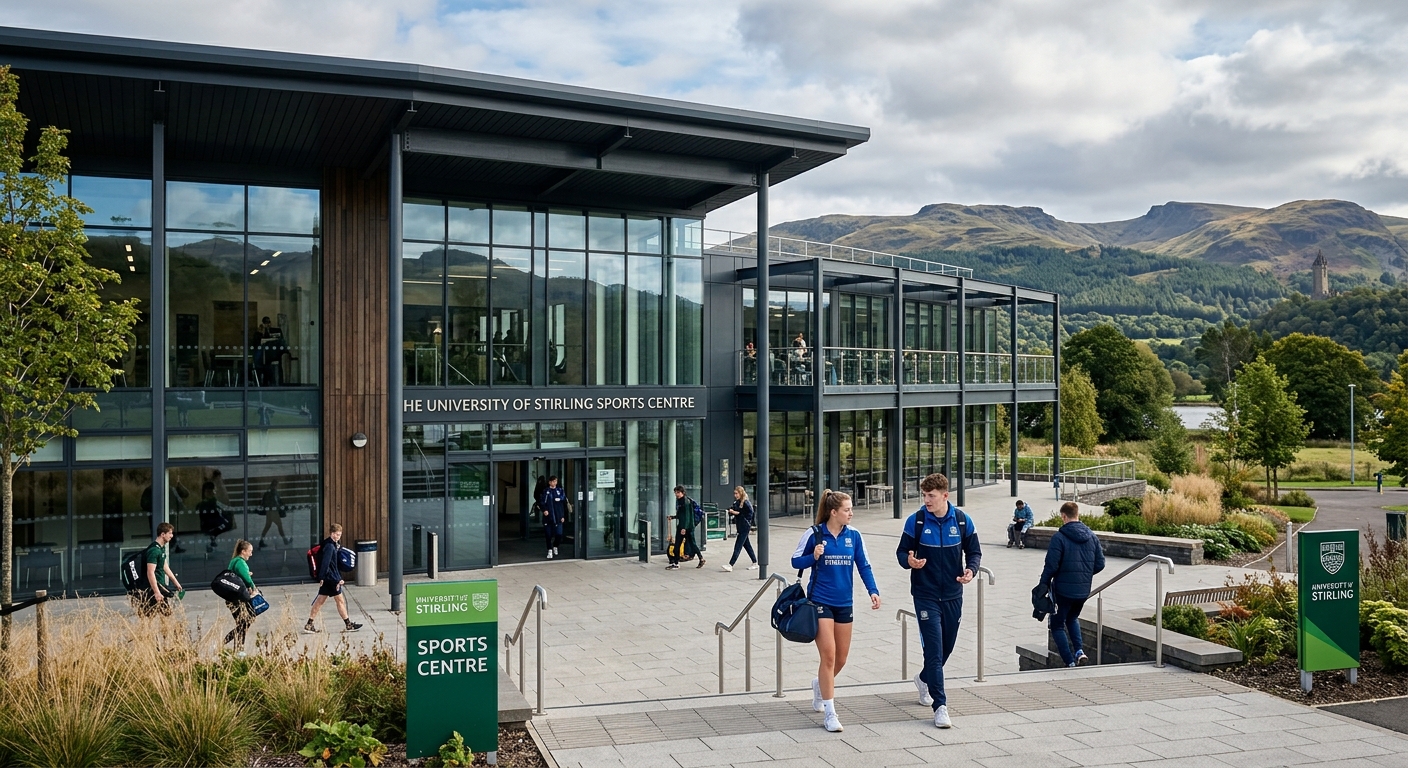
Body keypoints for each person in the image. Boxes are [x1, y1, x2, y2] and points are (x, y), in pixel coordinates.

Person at [896, 473, 981, 729]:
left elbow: (974, 551)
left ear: (945, 495)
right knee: (933, 649)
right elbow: (901, 552)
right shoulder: (917, 521)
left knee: (946, 648)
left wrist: (971, 570)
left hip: (954, 594)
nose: (926, 500)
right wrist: (909, 561)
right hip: (925, 594)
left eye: (931, 496)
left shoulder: (963, 521)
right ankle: (940, 705)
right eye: (924, 495)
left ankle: (923, 679)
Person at [791, 490, 880, 733]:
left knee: (841, 658)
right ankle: (830, 712)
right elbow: (795, 561)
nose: (851, 513)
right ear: (834, 512)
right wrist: (813, 556)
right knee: (828, 657)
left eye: (851, 509)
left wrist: (873, 590)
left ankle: (819, 684)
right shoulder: (815, 533)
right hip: (820, 602)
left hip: (844, 603)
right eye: (847, 510)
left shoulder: (854, 536)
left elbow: (863, 564)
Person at [1037, 501, 1105, 667]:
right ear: (1078, 514)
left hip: (1063, 591)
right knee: (1073, 617)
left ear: (1063, 516)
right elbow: (1100, 563)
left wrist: (1043, 585)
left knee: (1057, 625)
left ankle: (1069, 662)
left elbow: (1051, 566)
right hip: (1083, 590)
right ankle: (1079, 651)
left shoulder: (1059, 537)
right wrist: (1084, 575)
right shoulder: (1092, 536)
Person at [304, 523, 363, 634]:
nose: (337, 537)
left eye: (339, 535)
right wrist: (336, 579)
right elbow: (326, 564)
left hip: (327, 579)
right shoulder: (330, 547)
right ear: (331, 533)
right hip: (331, 579)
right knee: (340, 601)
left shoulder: (328, 544)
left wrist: (322, 578)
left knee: (320, 601)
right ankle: (348, 624)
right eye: (336, 534)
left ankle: (309, 624)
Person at [136, 522, 184, 617]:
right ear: (162, 534)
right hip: (153, 589)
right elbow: (150, 572)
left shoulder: (160, 549)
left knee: (163, 614)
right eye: (169, 533)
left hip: (159, 587)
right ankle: (149, 631)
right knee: (149, 616)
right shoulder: (154, 551)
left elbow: (164, 566)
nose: (172, 536)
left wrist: (175, 582)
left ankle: (163, 631)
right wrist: (157, 592)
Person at [224, 539, 259, 656]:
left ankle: (239, 649)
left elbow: (239, 576)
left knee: (243, 623)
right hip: (236, 599)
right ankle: (226, 643)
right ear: (243, 551)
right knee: (245, 622)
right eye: (250, 551)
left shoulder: (234, 561)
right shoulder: (240, 562)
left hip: (231, 598)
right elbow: (247, 579)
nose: (251, 554)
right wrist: (254, 589)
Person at [721, 486, 758, 572]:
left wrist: (737, 513)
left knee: (738, 546)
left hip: (745, 526)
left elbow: (749, 514)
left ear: (741, 493)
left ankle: (731, 564)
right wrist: (731, 511)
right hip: (740, 526)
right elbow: (734, 509)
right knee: (747, 545)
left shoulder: (746, 503)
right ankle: (755, 562)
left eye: (737, 493)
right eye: (734, 493)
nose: (735, 495)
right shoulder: (737, 502)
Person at [668, 486, 704, 570]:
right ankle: (676, 563)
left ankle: (701, 558)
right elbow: (681, 515)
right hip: (683, 526)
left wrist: (684, 528)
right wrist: (673, 517)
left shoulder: (686, 502)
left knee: (691, 544)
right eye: (675, 493)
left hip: (687, 527)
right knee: (679, 544)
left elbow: (687, 516)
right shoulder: (680, 501)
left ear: (683, 493)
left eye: (678, 492)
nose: (676, 494)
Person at [258, 479, 292, 548]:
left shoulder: (268, 492)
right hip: (274, 512)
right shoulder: (274, 493)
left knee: (267, 526)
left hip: (269, 512)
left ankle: (261, 541)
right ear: (275, 485)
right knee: (279, 525)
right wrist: (282, 506)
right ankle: (285, 540)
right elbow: (277, 502)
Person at [540, 476, 567, 559]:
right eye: (552, 481)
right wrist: (544, 510)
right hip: (548, 517)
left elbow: (564, 504)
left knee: (559, 534)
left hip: (558, 517)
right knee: (548, 535)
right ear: (549, 482)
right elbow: (541, 502)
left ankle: (555, 546)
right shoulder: (546, 492)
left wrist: (563, 516)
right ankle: (549, 550)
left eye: (555, 481)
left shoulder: (560, 491)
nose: (554, 483)